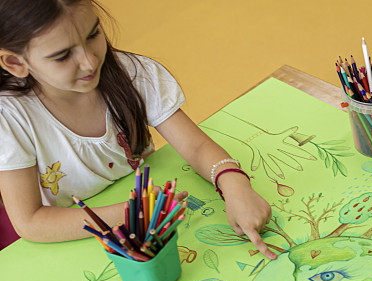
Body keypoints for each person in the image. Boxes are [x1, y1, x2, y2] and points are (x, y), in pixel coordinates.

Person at [0, 0, 275, 258]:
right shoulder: (9, 117)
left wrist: (235, 184)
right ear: (16, 63)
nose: (90, 61)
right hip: (71, 236)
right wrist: (137, 212)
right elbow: (31, 221)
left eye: (93, 34)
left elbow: (197, 146)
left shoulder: (133, 73)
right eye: (62, 56)